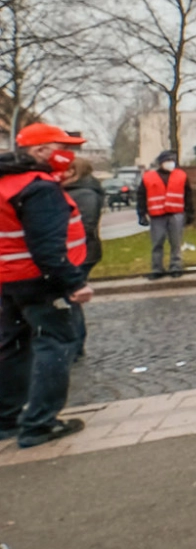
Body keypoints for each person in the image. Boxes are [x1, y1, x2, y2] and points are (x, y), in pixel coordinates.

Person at [0, 124, 91, 448]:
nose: (69, 155)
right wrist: (74, 283)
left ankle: (6, 419)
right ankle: (39, 424)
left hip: (8, 279)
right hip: (42, 281)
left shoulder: (6, 180)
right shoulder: (39, 187)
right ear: (40, 152)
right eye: (62, 147)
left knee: (14, 346)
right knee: (56, 344)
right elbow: (47, 247)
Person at [62, 157, 104, 358]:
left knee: (72, 298)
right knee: (70, 299)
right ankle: (74, 344)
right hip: (78, 251)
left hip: (81, 252)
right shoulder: (79, 191)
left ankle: (76, 345)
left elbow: (86, 225)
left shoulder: (85, 193)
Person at [137, 149, 187, 279]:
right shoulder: (148, 177)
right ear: (161, 163)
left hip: (176, 213)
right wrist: (142, 214)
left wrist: (189, 213)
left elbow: (188, 195)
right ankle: (157, 268)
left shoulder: (181, 176)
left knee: (176, 242)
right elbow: (141, 196)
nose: (171, 163)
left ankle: (176, 266)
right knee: (157, 243)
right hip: (157, 214)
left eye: (172, 160)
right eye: (168, 161)